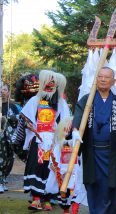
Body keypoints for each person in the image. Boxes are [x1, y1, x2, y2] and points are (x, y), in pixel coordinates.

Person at [72, 67, 116, 214]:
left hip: (112, 154)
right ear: (96, 79)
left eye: (106, 77)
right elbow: (78, 117)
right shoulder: (87, 100)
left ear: (113, 81)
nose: (103, 79)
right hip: (92, 153)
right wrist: (75, 131)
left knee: (115, 188)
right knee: (94, 187)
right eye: (100, 76)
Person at [14, 70, 70, 210]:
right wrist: (30, 126)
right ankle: (36, 198)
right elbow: (25, 118)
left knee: (51, 168)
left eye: (53, 83)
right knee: (36, 165)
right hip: (38, 140)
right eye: (48, 83)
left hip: (53, 141)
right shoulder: (35, 100)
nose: (50, 85)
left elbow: (66, 122)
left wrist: (61, 136)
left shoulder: (61, 103)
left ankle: (48, 199)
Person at [0, 83, 19, 193]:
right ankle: (0, 181)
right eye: (1, 89)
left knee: (9, 159)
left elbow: (19, 117)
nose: (2, 91)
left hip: (10, 138)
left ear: (8, 92)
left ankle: (3, 179)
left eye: (4, 89)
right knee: (1, 159)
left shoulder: (12, 106)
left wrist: (8, 118)